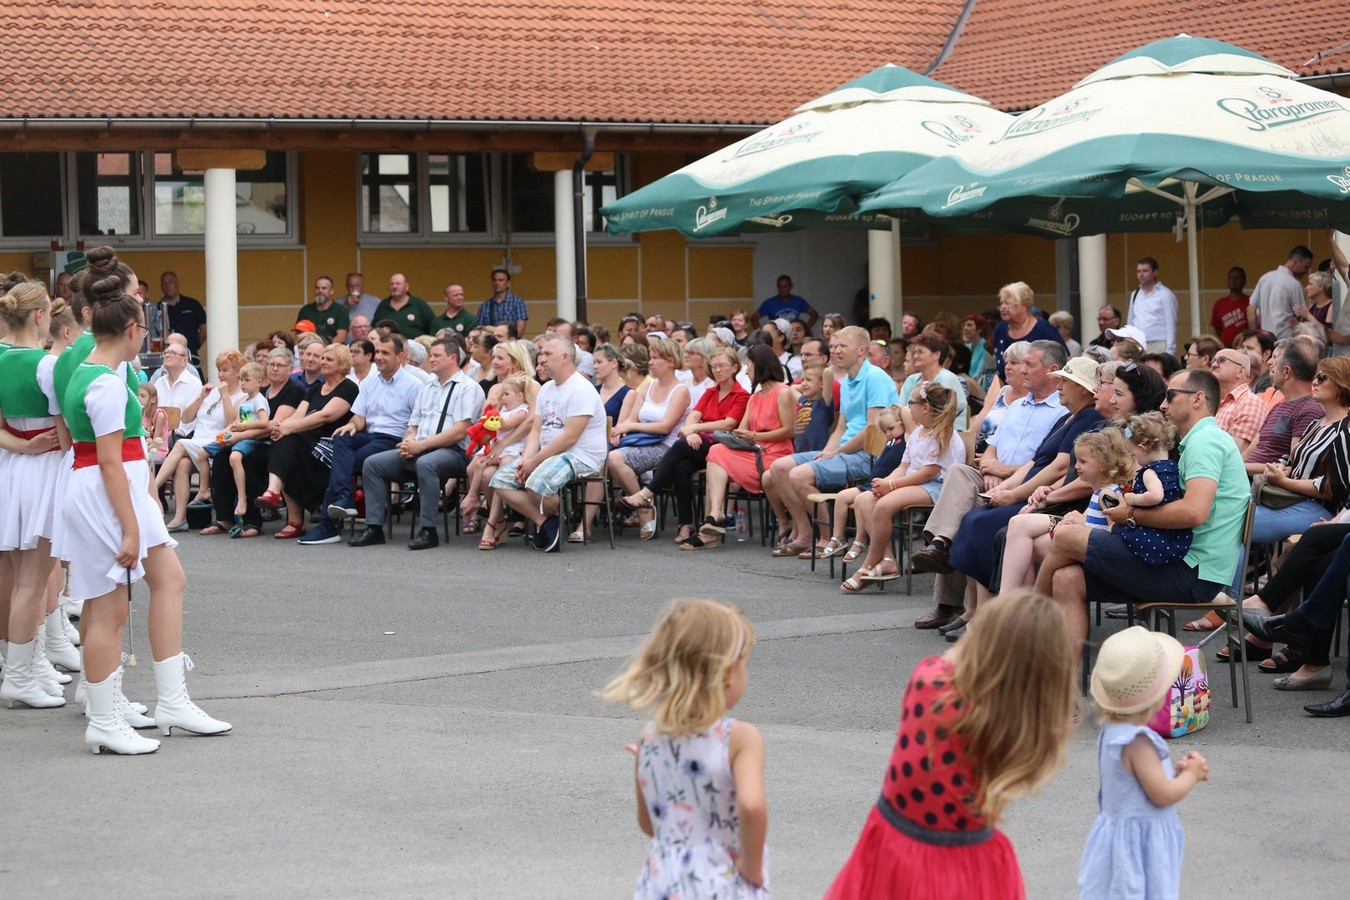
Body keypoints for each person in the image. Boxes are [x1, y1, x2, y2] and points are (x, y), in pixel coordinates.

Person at [63, 267, 230, 753]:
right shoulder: (107, 383)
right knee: (106, 607)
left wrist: (144, 501)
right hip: (106, 492)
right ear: (133, 330)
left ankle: (167, 701)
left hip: (110, 486)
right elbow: (111, 462)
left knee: (161, 582)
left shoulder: (89, 369)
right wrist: (132, 527)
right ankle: (105, 717)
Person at [825, 591, 1077, 900]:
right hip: (973, 858)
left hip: (897, 844)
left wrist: (985, 633)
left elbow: (953, 661)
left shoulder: (930, 685)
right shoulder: (1017, 727)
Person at [1037, 369, 1249, 646]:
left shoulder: (1205, 441)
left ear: (1198, 399)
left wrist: (1131, 515)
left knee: (1066, 536)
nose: (1163, 404)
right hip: (1178, 560)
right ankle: (1061, 680)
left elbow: (1194, 512)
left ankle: (1026, 619)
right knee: (1067, 578)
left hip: (1190, 573)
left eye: (1171, 396)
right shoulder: (1202, 440)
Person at [600, 599, 767, 898]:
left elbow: (651, 825)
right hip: (721, 881)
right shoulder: (740, 738)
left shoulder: (649, 740)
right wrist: (751, 868)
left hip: (661, 880)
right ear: (728, 674)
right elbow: (752, 805)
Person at [1079, 627, 1208, 900]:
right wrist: (1191, 776)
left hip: (1116, 838)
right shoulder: (1139, 742)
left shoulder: (1112, 729)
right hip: (1139, 845)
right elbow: (1163, 795)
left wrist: (1172, 772)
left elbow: (1137, 783)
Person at [350, 336, 486, 551]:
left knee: (427, 464)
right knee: (373, 464)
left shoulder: (468, 387)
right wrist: (408, 442)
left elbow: (460, 431)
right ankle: (374, 527)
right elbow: (412, 425)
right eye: (430, 355)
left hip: (455, 452)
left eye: (436, 355)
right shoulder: (429, 386)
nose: (430, 359)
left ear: (452, 358)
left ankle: (428, 530)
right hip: (421, 449)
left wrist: (420, 446)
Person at [0, 282, 68, 710]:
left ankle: (26, 662)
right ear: (42, 315)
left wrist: (22, 445)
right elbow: (66, 433)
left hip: (12, 468)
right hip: (44, 472)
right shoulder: (47, 367)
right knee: (33, 579)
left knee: (16, 575)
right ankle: (20, 675)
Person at [616, 346, 748, 545]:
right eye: (714, 366)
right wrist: (691, 430)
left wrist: (693, 428)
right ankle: (686, 524)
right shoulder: (711, 392)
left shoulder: (741, 394)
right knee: (681, 467)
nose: (718, 370)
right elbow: (694, 415)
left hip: (723, 448)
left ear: (734, 367)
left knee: (678, 447)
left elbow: (729, 423)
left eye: (722, 366)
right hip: (702, 444)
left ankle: (647, 493)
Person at [488, 333, 608, 552]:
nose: (540, 358)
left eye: (547, 353)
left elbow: (570, 438)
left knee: (535, 483)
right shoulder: (546, 389)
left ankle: (553, 514)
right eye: (541, 353)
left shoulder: (581, 388)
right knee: (500, 480)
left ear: (564, 357)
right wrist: (525, 460)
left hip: (580, 456)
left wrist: (534, 462)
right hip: (549, 455)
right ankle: (546, 521)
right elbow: (535, 430)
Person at [841, 384, 966, 591]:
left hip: (938, 487)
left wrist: (892, 485)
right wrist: (883, 484)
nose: (908, 408)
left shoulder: (942, 434)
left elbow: (928, 473)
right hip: (918, 482)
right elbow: (904, 466)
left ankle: (869, 564)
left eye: (911, 403)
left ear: (925, 407)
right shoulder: (918, 433)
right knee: (865, 499)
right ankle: (888, 559)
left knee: (884, 505)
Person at [302, 333, 422, 545]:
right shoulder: (369, 383)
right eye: (377, 352)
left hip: (394, 440)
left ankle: (329, 525)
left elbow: (417, 423)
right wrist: (350, 426)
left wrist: (409, 441)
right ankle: (343, 500)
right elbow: (359, 418)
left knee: (342, 463)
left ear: (401, 356)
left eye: (386, 353)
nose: (379, 357)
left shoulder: (414, 385)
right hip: (369, 435)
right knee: (341, 438)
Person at [682, 346, 795, 551]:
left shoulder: (783, 392)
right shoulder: (755, 397)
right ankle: (716, 514)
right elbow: (741, 430)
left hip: (776, 454)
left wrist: (754, 436)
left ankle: (711, 526)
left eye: (749, 366)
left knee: (714, 459)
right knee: (716, 452)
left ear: (760, 367)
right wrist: (735, 436)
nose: (747, 372)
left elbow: (788, 431)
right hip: (755, 451)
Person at [997, 427, 1135, 594]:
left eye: (1083, 462)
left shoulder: (1107, 494)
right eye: (1076, 461)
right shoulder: (1100, 492)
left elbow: (1115, 530)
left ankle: (1011, 601)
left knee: (1019, 524)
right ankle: (1021, 604)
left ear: (1103, 463)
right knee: (1022, 532)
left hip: (1094, 552)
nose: (1076, 467)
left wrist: (1081, 523)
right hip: (1084, 544)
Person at [257, 344, 360, 539]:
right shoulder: (315, 389)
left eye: (328, 359)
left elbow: (326, 416)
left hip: (331, 445)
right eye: (323, 358)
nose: (323, 362)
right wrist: (283, 427)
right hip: (305, 440)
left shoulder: (348, 387)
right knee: (285, 443)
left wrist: (289, 428)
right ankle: (275, 496)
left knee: (288, 442)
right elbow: (297, 415)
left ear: (343, 363)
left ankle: (287, 511)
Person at [606, 339, 692, 540]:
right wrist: (621, 431)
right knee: (610, 457)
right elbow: (632, 417)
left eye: (655, 358)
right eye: (650, 358)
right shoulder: (648, 386)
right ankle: (644, 506)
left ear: (670, 362)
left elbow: (665, 426)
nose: (650, 363)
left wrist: (629, 426)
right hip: (642, 441)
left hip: (667, 446)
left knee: (615, 459)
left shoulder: (680, 391)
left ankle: (644, 508)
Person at [154, 349, 247, 531]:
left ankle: (151, 489)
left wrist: (226, 395)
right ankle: (180, 518)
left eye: (225, 370)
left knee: (180, 444)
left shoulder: (242, 396)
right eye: (219, 370)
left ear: (237, 372)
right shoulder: (211, 393)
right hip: (196, 445)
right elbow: (186, 418)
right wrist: (200, 398)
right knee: (181, 464)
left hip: (216, 446)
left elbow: (232, 423)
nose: (220, 374)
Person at [200, 362, 271, 536]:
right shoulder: (245, 400)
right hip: (241, 436)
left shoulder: (260, 400)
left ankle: (244, 502)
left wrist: (242, 430)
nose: (242, 383)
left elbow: (264, 423)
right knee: (209, 454)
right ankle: (219, 510)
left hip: (255, 441)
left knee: (236, 458)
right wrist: (225, 433)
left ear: (259, 382)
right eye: (241, 380)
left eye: (246, 380)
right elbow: (238, 422)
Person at [466, 377, 533, 549]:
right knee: (479, 464)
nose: (503, 398)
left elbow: (505, 425)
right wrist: (491, 409)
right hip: (498, 446)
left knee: (503, 468)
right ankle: (473, 496)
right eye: (502, 394)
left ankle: (492, 521)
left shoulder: (522, 411)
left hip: (513, 447)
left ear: (519, 396)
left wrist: (493, 416)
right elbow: (488, 426)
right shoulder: (503, 410)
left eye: (506, 394)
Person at [990, 282, 1064, 384]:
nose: (1002, 307)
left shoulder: (1044, 329)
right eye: (1001, 303)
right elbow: (999, 371)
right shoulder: (1000, 329)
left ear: (1024, 305)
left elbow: (1064, 361)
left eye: (1007, 303)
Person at [1248, 245, 1314, 340]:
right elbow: (1302, 316)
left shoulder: (1264, 278)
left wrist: (1254, 335)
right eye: (1306, 267)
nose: (1306, 272)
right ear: (1296, 262)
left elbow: (1250, 309)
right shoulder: (1294, 284)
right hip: (1286, 339)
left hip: (1265, 340)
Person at [1210, 348, 1268, 456]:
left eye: (1222, 360)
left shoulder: (1250, 403)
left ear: (1240, 371)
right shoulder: (1211, 401)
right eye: (1213, 360)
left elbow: (1232, 455)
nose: (1213, 365)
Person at [1125, 257, 1178, 355]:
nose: (1141, 274)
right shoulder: (1135, 294)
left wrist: (1170, 351)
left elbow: (1170, 324)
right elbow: (1130, 321)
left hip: (1158, 343)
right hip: (1137, 344)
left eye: (1145, 271)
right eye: (1138, 271)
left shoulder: (1165, 294)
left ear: (1154, 272)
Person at [373, 273, 435, 339]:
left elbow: (434, 327)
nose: (394, 286)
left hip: (414, 348)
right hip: (388, 348)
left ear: (407, 286)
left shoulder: (419, 304)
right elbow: (374, 329)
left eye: (398, 284)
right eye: (392, 284)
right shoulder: (383, 305)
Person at [159, 271, 206, 358]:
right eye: (164, 283)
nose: (167, 285)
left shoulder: (192, 304)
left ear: (177, 284)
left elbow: (204, 327)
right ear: (161, 287)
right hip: (169, 356)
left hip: (191, 355)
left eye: (170, 282)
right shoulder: (158, 308)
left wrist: (196, 344)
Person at [295, 275, 349, 344]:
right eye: (317, 288)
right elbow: (298, 335)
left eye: (324, 288)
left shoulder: (341, 310)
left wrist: (325, 350)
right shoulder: (305, 310)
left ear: (331, 291)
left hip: (331, 351)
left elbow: (342, 337)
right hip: (308, 350)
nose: (320, 291)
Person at [476, 268, 528, 335]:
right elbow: (479, 328)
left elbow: (520, 329)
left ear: (508, 283)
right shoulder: (485, 305)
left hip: (511, 342)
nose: (497, 283)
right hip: (491, 343)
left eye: (501, 280)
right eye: (495, 280)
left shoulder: (517, 302)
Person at [1211, 267, 1250, 347]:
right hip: (1225, 346)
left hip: (1244, 346)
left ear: (1244, 282)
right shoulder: (1219, 303)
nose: (1233, 281)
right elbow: (1217, 329)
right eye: (1231, 278)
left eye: (1237, 278)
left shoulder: (1250, 302)